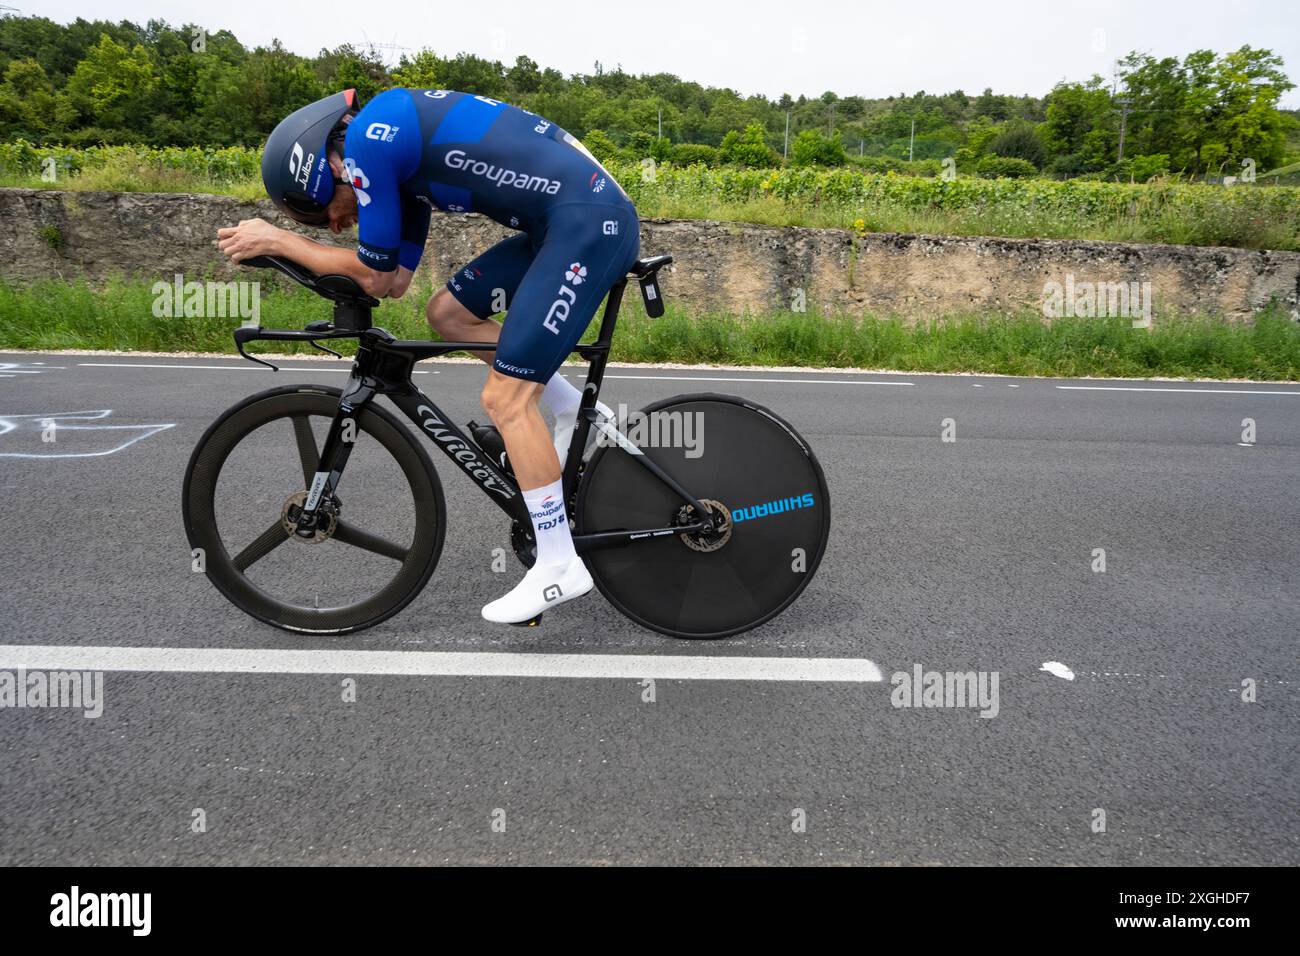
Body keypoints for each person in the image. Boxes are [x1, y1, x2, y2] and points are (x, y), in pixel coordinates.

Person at [217, 88, 641, 624]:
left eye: (315, 210)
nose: (330, 226)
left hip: (585, 226)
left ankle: (559, 563)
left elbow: (371, 275)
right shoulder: (393, 157)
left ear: (326, 168)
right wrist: (297, 250)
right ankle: (573, 411)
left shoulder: (370, 142)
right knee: (447, 315)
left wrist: (281, 241)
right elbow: (393, 283)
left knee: (506, 401)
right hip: (565, 223)